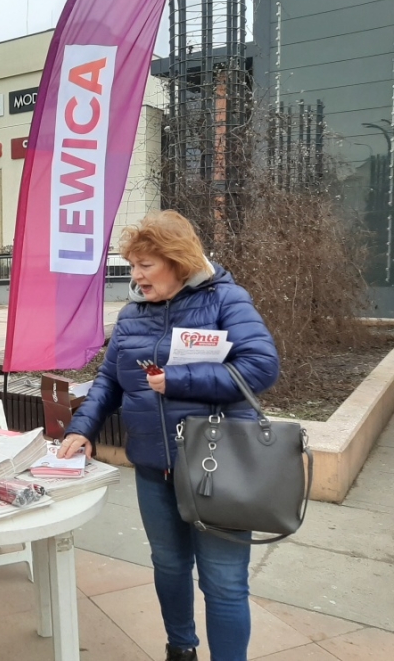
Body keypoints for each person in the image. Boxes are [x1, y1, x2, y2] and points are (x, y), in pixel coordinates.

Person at [57, 211, 279, 661]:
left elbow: (261, 366)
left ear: (178, 262)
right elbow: (109, 381)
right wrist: (83, 428)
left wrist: (179, 380)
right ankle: (181, 649)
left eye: (146, 265)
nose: (136, 276)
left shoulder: (226, 300)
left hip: (218, 469)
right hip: (154, 467)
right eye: (133, 265)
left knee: (223, 581)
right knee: (169, 565)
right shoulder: (132, 315)